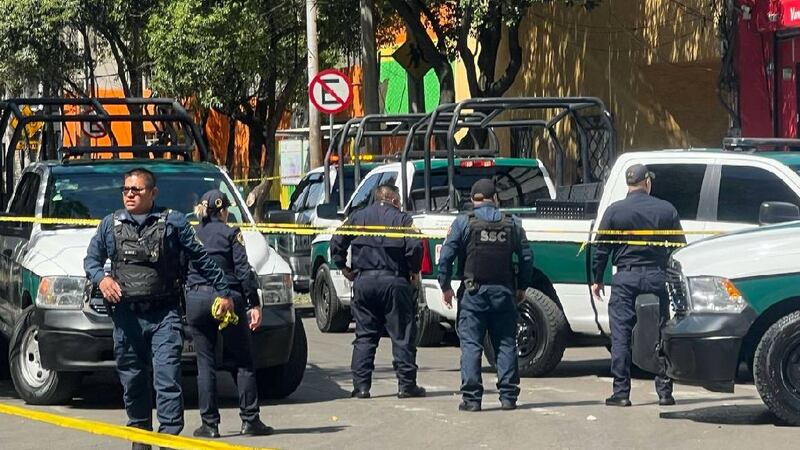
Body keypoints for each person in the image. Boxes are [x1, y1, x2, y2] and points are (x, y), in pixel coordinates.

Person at [84, 168, 233, 449]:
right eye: (126, 189)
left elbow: (201, 258)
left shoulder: (173, 222)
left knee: (167, 381)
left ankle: (167, 441)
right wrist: (102, 279)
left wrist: (225, 292)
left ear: (153, 193)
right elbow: (91, 260)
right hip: (127, 317)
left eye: (136, 189)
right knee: (134, 382)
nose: (129, 194)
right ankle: (140, 440)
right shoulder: (109, 225)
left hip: (164, 314)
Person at [591, 163, 686, 407]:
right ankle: (665, 392)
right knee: (660, 332)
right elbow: (679, 247)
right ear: (647, 182)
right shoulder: (666, 209)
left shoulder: (615, 211)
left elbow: (601, 249)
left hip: (625, 278)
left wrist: (597, 279)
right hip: (657, 276)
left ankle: (621, 393)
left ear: (628, 184)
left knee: (621, 335)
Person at [438, 179, 533, 412]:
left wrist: (445, 286)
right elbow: (527, 258)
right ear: (496, 198)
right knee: (505, 344)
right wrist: (522, 287)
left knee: (471, 345)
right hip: (503, 293)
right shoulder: (513, 223)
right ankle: (508, 397)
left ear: (473, 199)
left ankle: (472, 400)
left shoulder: (463, 222)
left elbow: (446, 256)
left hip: (473, 294)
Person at [186, 190, 273, 438]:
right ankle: (250, 419)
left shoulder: (193, 235)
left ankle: (209, 425)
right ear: (223, 211)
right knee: (243, 361)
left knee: (205, 364)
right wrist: (253, 303)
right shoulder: (231, 233)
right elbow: (243, 272)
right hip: (228, 298)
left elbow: (182, 268)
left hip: (196, 298)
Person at [330, 184, 426, 399]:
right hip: (394, 281)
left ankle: (361, 387)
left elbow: (336, 241)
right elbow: (415, 246)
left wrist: (343, 267)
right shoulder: (402, 219)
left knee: (365, 336)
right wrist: (413, 270)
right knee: (402, 335)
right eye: (399, 200)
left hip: (364, 282)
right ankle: (406, 385)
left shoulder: (357, 217)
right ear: (393, 199)